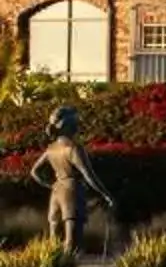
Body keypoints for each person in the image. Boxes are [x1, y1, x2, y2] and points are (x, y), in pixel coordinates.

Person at [31, 106, 112, 249]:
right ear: (68, 126)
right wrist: (105, 194)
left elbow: (34, 172)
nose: (78, 126)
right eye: (75, 123)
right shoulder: (74, 149)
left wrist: (52, 185)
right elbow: (89, 175)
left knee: (54, 241)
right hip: (72, 192)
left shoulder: (51, 149)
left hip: (56, 192)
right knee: (72, 242)